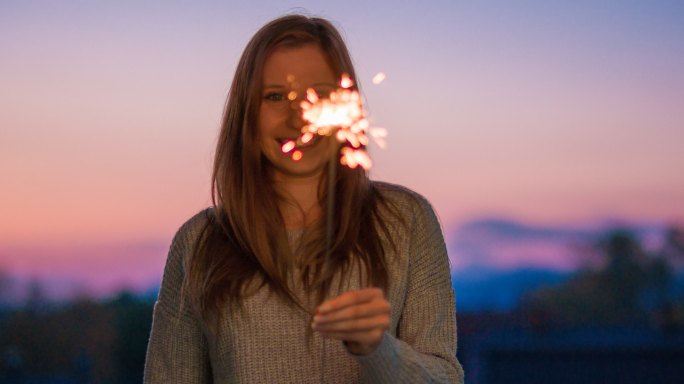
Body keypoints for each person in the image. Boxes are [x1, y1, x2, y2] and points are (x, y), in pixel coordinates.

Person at [144, 14, 464, 383]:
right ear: (247, 114)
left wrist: (377, 349)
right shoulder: (199, 242)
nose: (299, 117)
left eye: (320, 94)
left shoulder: (405, 221)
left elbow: (445, 378)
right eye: (276, 96)